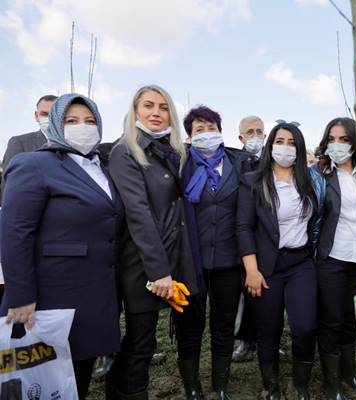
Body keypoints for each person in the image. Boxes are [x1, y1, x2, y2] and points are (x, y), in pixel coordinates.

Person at [0, 93, 124, 398]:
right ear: (56, 124)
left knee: (75, 377)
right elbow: (15, 233)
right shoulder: (33, 164)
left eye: (90, 121)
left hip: (95, 295)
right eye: (72, 121)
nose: (83, 127)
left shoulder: (102, 168)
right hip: (49, 297)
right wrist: (21, 295)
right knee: (40, 379)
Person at [107, 85, 199, 399]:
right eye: (148, 106)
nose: (156, 113)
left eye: (163, 107)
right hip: (142, 263)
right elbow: (139, 214)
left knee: (142, 342)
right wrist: (159, 272)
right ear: (135, 112)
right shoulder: (127, 151)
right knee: (141, 342)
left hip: (169, 257)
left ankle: (119, 389)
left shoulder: (168, 150)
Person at [237, 121, 324, 400]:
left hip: (300, 263)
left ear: (299, 148)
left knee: (305, 326)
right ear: (270, 144)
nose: (285, 148)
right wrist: (251, 270)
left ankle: (300, 385)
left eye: (291, 143)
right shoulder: (254, 181)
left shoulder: (308, 180)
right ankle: (271, 386)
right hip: (266, 267)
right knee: (268, 330)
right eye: (279, 141)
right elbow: (243, 227)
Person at [177, 105, 248, 400]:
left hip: (229, 261)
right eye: (199, 130)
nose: (206, 134)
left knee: (223, 325)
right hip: (191, 262)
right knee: (190, 327)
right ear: (190, 137)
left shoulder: (239, 162)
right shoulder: (179, 166)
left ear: (220, 131)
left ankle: (220, 386)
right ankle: (192, 388)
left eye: (211, 128)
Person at [314, 117, 356, 399]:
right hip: (332, 256)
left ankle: (350, 374)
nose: (337, 144)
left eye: (344, 139)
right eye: (332, 138)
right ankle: (331, 382)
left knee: (352, 319)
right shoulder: (320, 174)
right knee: (332, 319)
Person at [233, 115, 266, 362]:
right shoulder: (236, 162)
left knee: (269, 291)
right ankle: (245, 340)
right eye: (250, 132)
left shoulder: (271, 159)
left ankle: (267, 338)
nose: (255, 136)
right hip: (244, 236)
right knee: (246, 292)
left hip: (268, 236)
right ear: (241, 137)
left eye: (259, 131)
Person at [2, 94, 56, 173]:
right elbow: (8, 181)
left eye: (54, 115)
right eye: (44, 114)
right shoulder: (19, 143)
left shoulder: (73, 145)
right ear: (37, 116)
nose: (49, 118)